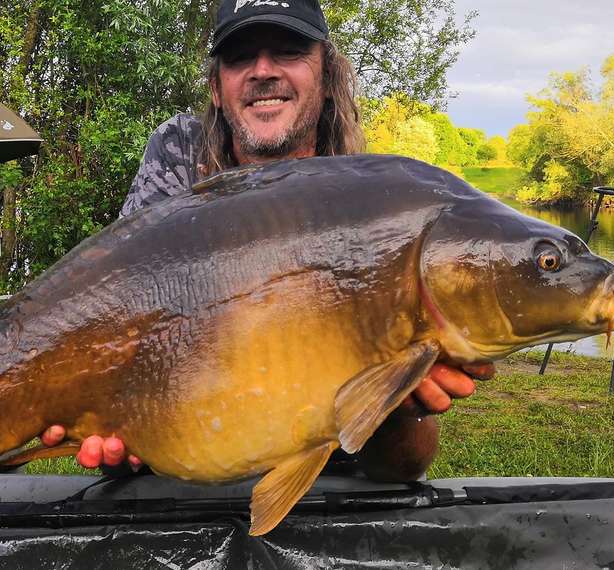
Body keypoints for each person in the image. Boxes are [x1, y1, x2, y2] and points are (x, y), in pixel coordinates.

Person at [39, 0, 493, 476]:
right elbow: (128, 344)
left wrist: (399, 403)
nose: (262, 71)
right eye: (239, 57)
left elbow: (405, 467)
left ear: (327, 75)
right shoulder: (179, 154)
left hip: (326, 480)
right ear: (216, 87)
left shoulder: (374, 208)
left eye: (288, 50)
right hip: (186, 463)